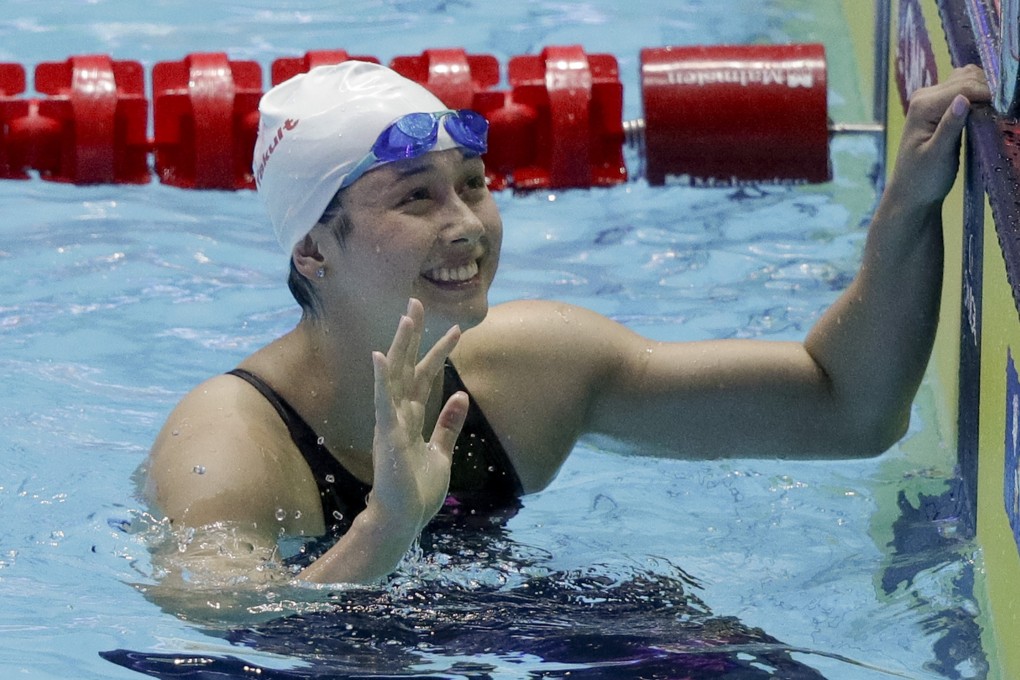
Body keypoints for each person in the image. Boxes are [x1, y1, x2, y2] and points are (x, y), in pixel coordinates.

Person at [145, 60, 991, 587]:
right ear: (312, 252)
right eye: (415, 197)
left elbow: (849, 409)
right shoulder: (227, 448)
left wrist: (908, 206)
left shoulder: (534, 368)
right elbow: (227, 633)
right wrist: (388, 525)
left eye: (472, 182)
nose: (467, 223)